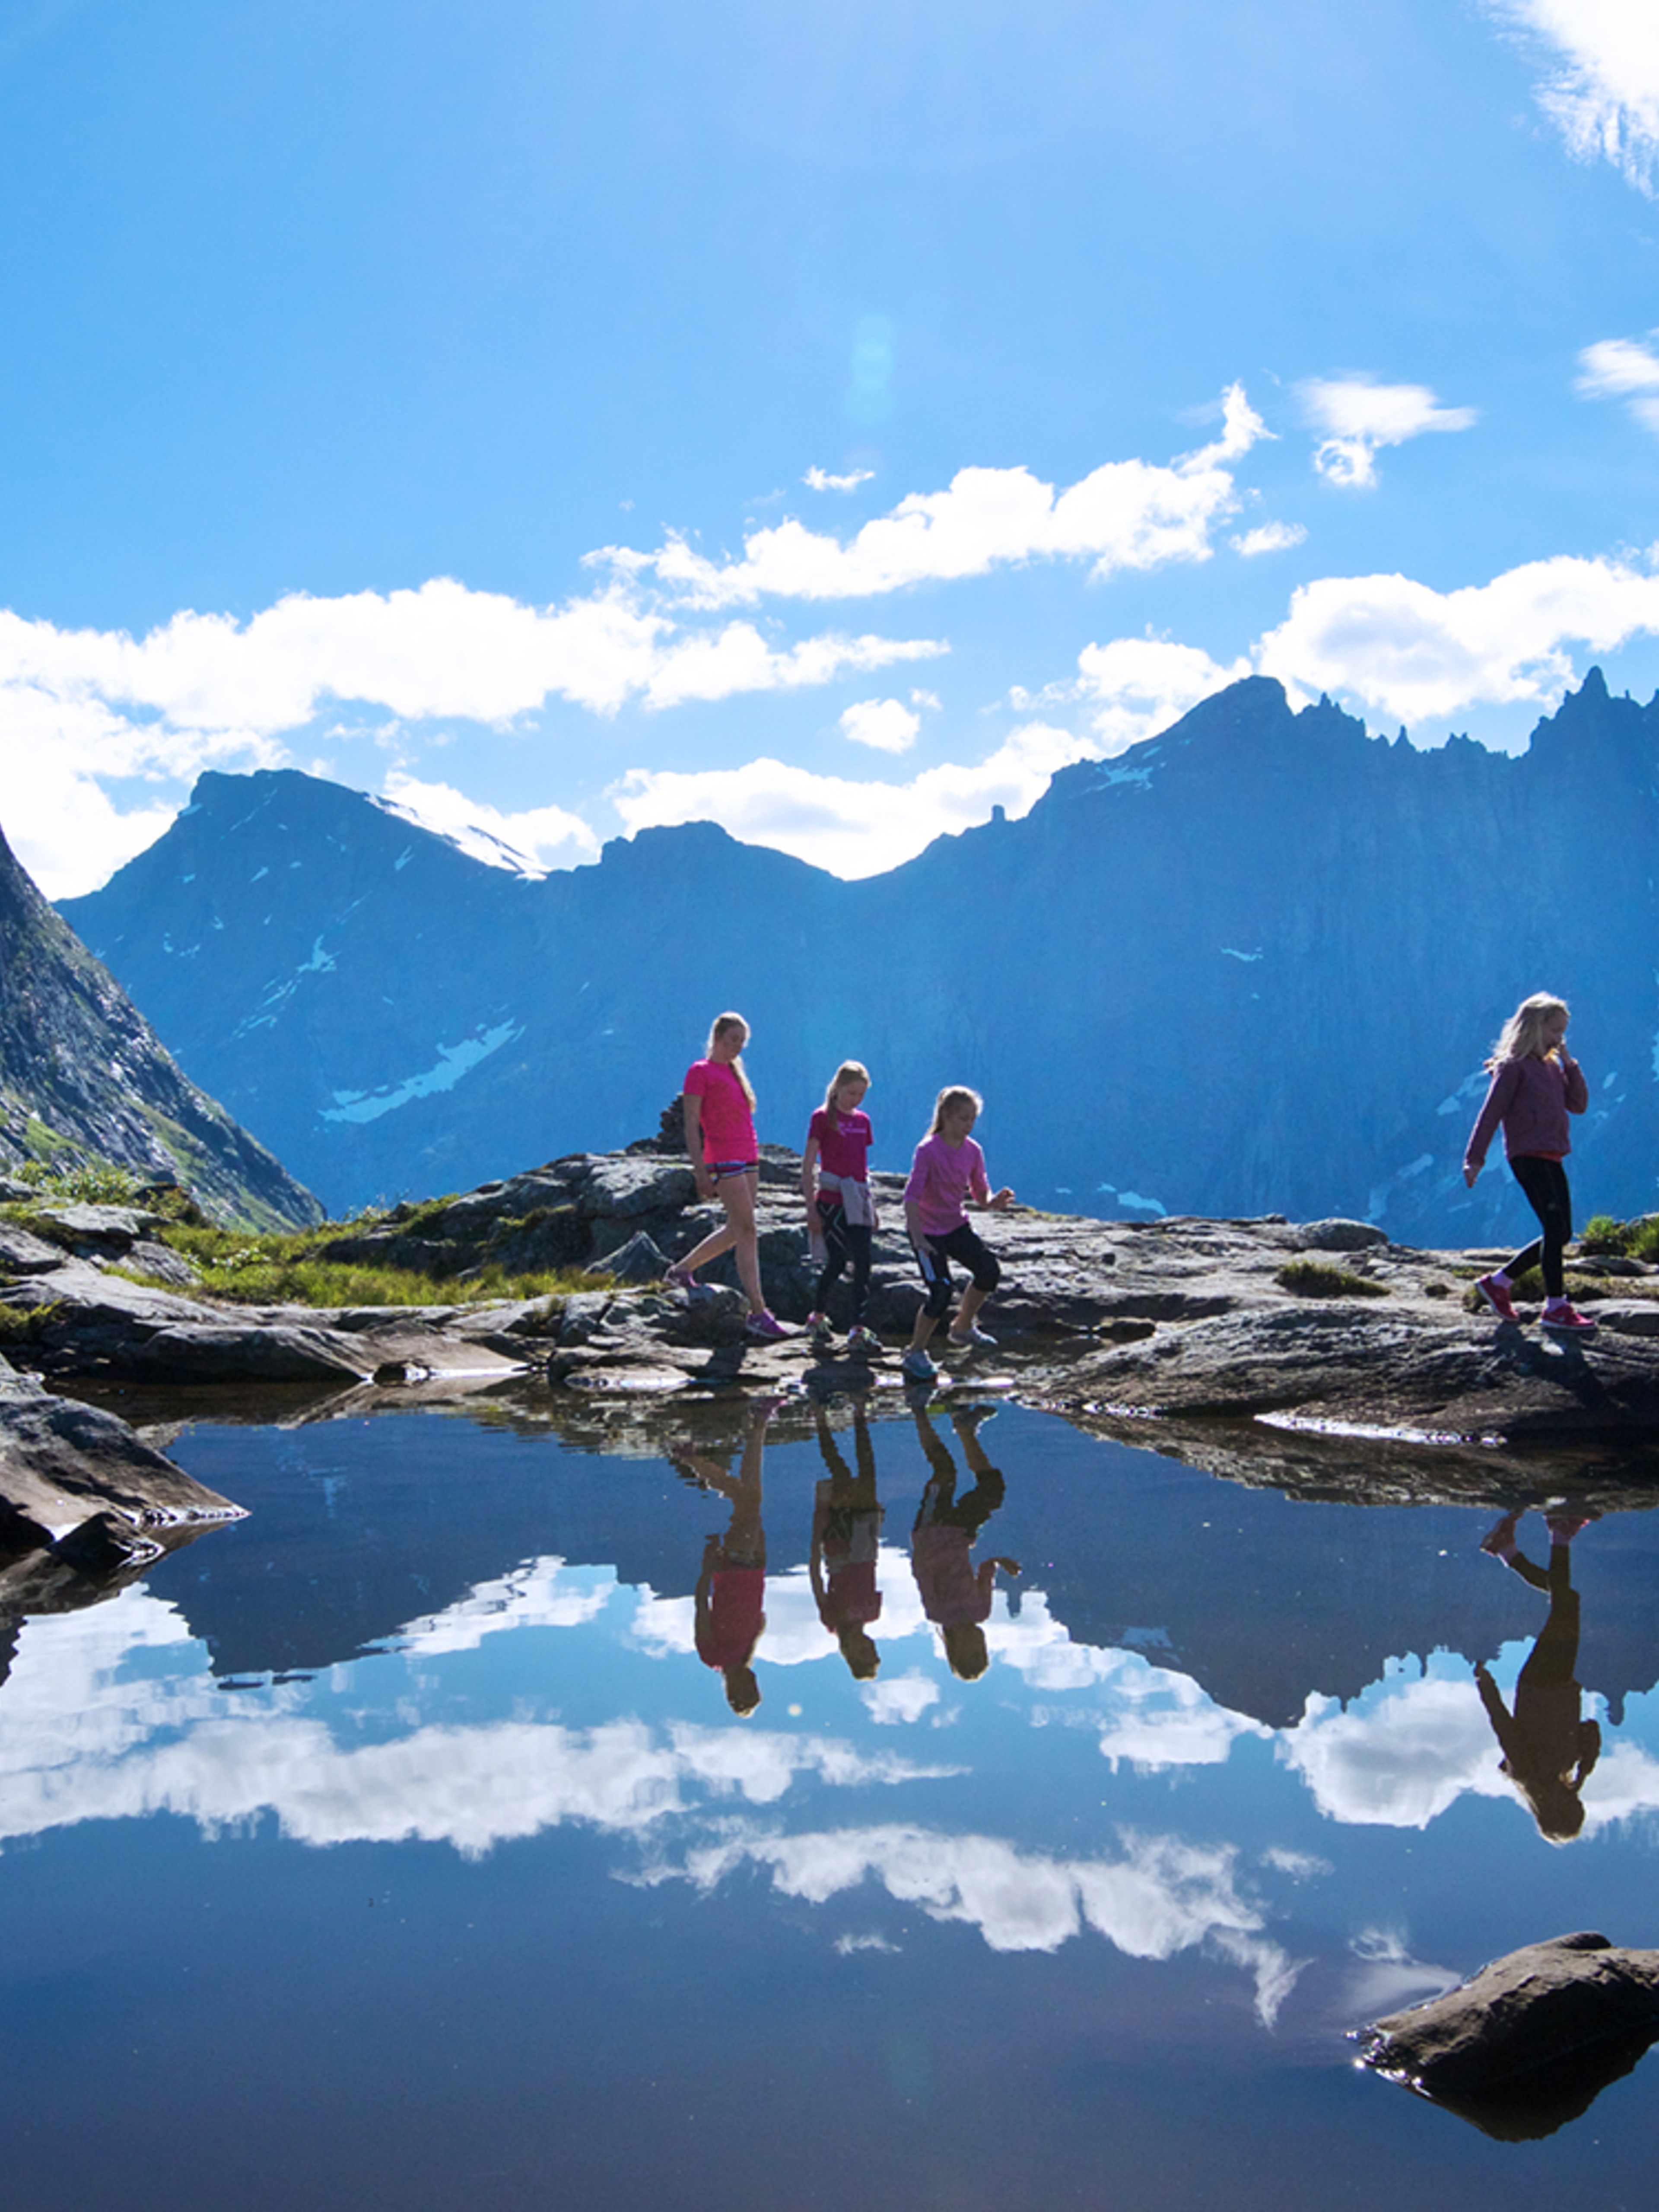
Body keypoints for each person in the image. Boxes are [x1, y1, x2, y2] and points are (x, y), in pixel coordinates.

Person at [1463, 992, 1594, 1334]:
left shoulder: (1552, 1067)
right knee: (1554, 1228)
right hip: (1528, 1155)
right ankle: (1555, 1305)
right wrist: (1474, 1159)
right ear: (1535, 1029)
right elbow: (1490, 1115)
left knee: (1562, 1231)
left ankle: (1499, 1283)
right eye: (1554, 1031)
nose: (1559, 1038)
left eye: (1562, 1032)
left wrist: (1570, 1063)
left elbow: (1578, 1105)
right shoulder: (1513, 1068)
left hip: (1552, 1154)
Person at [1476, 1504, 1602, 1840]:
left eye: (1573, 1807)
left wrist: (1485, 1686)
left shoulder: (1528, 1774)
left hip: (1543, 1684)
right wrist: (1586, 1766)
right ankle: (1506, 1550)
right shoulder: (1563, 1770)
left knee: (1566, 1602)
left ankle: (1559, 1532)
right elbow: (1590, 1728)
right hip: (1561, 1684)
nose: (1576, 1801)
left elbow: (1505, 1728)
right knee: (1567, 1599)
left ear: (1557, 1809)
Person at [667, 1011, 792, 1340]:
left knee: (738, 1229)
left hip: (748, 1156)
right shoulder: (700, 1072)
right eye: (733, 1039)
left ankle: (681, 1271)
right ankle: (758, 1310)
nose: (737, 1047)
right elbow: (691, 1124)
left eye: (742, 1042)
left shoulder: (735, 1074)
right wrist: (700, 1171)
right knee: (747, 1229)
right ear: (718, 1037)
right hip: (722, 1159)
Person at [900, 1085, 1013, 1383]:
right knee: (941, 1291)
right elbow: (911, 1197)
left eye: (972, 1119)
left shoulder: (973, 1151)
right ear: (947, 1117)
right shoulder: (928, 1151)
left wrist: (992, 1202)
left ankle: (962, 1327)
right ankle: (915, 1352)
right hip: (927, 1231)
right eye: (963, 1118)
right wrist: (919, 1239)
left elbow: (979, 1191)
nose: (969, 1125)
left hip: (954, 1226)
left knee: (989, 1270)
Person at [677, 1398, 779, 1716]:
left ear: (733, 1690)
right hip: (754, 1565)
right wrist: (762, 1558)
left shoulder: (712, 1655)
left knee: (749, 1499)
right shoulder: (749, 1649)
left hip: (733, 1565)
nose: (751, 1681)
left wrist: (708, 1568)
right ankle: (696, 1458)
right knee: (749, 1496)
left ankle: (759, 1421)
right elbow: (756, 1606)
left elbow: (701, 1606)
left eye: (746, 1688)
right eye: (754, 1686)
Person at [908, 1403, 1019, 1681]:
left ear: (955, 1648)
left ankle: (919, 1412)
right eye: (979, 1649)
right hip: (960, 1533)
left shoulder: (938, 1612)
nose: (975, 1643)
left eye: (969, 1650)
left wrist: (929, 1538)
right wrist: (1000, 1562)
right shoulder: (981, 1612)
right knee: (993, 1492)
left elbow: (921, 1571)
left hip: (932, 1530)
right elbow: (985, 1569)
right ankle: (965, 1429)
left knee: (945, 1472)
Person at [801, 1059, 880, 1352]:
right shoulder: (822, 1118)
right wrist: (812, 1207)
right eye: (851, 1093)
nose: (856, 1099)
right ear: (837, 1089)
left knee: (863, 1263)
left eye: (861, 1094)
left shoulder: (863, 1122)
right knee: (836, 1261)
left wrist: (873, 1207)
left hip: (858, 1199)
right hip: (832, 1200)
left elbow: (862, 1168)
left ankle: (857, 1328)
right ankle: (818, 1316)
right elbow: (809, 1163)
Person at [810, 1398, 884, 1680]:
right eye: (873, 1651)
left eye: (865, 1653)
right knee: (868, 1470)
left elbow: (817, 1582)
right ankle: (860, 1413)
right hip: (866, 1544)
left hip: (838, 1545)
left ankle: (820, 1418)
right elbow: (872, 1572)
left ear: (851, 1654)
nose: (869, 1647)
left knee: (839, 1471)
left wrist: (815, 1546)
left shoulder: (833, 1621)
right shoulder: (873, 1613)